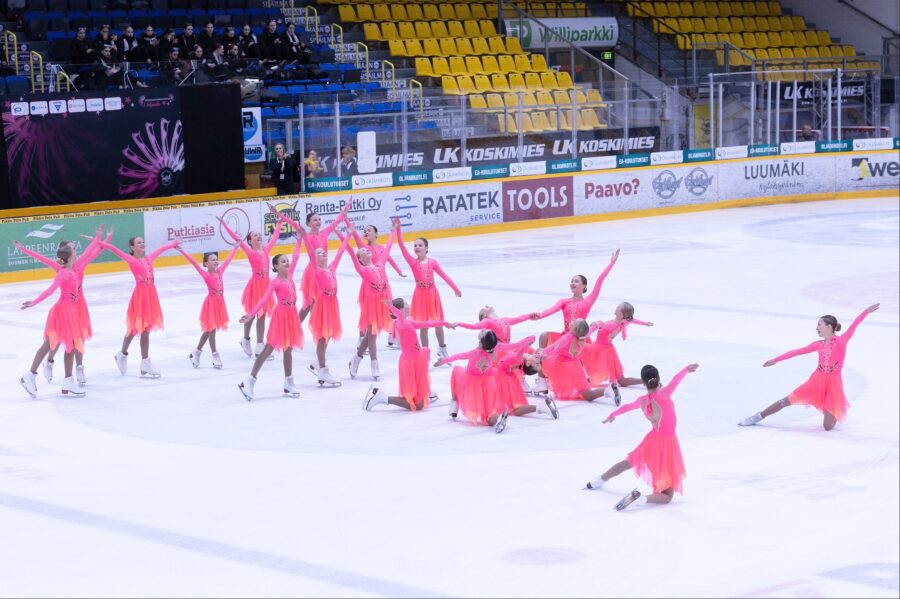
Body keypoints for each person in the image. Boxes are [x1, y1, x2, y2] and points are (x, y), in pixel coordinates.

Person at [738, 304, 880, 430]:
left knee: (827, 427)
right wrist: (775, 360)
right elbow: (796, 352)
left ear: (829, 327)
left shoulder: (841, 342)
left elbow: (854, 325)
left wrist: (865, 312)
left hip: (833, 385)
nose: (817, 328)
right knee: (785, 401)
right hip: (816, 381)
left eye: (820, 325)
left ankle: (832, 407)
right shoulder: (817, 345)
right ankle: (758, 416)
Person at [586, 363, 699, 511]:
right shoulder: (664, 395)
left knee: (628, 462)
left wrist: (612, 414)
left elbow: (626, 407)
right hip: (667, 445)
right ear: (658, 379)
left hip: (652, 441)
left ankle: (598, 480)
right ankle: (642, 499)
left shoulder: (642, 401)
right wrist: (685, 370)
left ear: (644, 383)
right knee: (666, 496)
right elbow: (675, 381)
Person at [14, 227, 109, 386]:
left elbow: (94, 250)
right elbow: (43, 263)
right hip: (65, 309)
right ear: (67, 254)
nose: (75, 250)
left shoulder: (78, 265)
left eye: (74, 247)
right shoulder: (62, 271)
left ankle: (74, 372)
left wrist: (100, 237)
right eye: (72, 248)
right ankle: (48, 365)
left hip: (78, 306)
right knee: (57, 341)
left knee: (75, 339)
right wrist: (23, 248)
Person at [532, 249, 620, 393]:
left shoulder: (588, 301)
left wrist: (611, 263)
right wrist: (540, 315)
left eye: (576, 281)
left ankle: (584, 380)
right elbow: (551, 309)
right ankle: (542, 381)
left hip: (580, 338)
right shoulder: (564, 301)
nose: (573, 283)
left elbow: (599, 280)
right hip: (564, 337)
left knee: (577, 362)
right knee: (543, 336)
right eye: (572, 281)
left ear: (584, 286)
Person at [99, 235, 180, 377]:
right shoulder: (131, 260)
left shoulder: (148, 258)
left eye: (143, 242)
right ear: (132, 247)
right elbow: (114, 249)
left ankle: (144, 362)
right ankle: (123, 354)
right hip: (140, 297)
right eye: (138, 243)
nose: (142, 244)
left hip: (151, 296)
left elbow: (161, 249)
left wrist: (174, 243)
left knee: (146, 329)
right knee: (135, 328)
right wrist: (98, 241)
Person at [19, 246, 90, 398]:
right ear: (70, 257)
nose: (77, 254)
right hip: (62, 312)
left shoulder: (71, 271)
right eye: (75, 253)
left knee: (68, 346)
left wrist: (100, 239)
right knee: (52, 344)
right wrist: (34, 302)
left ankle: (66, 381)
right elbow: (51, 290)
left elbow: (90, 252)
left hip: (69, 311)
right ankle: (31, 375)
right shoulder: (63, 273)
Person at [237, 242, 305, 401]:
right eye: (283, 261)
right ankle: (250, 380)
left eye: (286, 260)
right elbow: (263, 299)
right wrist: (251, 314)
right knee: (268, 349)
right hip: (281, 317)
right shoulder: (275, 282)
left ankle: (289, 382)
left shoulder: (290, 276)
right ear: (275, 266)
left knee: (288, 349)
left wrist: (300, 240)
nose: (287, 262)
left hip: (291, 316)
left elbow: (295, 257)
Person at [291, 219, 352, 387]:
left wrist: (348, 235)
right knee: (322, 337)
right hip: (323, 307)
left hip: (332, 307)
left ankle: (318, 365)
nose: (324, 254)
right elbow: (311, 251)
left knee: (330, 334)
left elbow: (340, 252)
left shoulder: (331, 267)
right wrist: (303, 234)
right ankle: (323, 370)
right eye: (319, 254)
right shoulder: (317, 271)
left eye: (324, 253)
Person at [363, 298, 452, 412]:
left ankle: (424, 392)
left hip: (416, 358)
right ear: (400, 309)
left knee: (419, 397)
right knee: (418, 406)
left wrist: (446, 323)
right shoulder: (400, 323)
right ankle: (383, 398)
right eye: (405, 304)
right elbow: (399, 316)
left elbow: (428, 323)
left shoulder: (408, 322)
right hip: (410, 362)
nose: (408, 305)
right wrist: (391, 307)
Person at [272, 202, 351, 327]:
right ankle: (295, 328)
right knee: (309, 303)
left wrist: (346, 208)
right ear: (308, 223)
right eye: (314, 220)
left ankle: (315, 329)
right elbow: (294, 223)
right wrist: (279, 214)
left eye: (319, 219)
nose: (318, 222)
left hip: (324, 271)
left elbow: (337, 220)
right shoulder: (306, 236)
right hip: (313, 273)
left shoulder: (325, 232)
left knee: (317, 302)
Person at [218, 215, 284, 362]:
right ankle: (246, 339)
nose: (259, 236)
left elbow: (275, 237)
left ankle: (259, 345)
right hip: (255, 286)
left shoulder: (266, 250)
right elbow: (237, 239)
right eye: (255, 235)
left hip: (266, 285)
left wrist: (279, 222)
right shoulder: (250, 252)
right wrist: (224, 224)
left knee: (261, 315)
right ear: (250, 241)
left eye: (259, 235)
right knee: (252, 314)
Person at [395, 226, 461, 361]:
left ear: (426, 247)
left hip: (432, 295)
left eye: (420, 245)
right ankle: (425, 353)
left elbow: (444, 275)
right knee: (423, 327)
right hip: (419, 296)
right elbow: (402, 248)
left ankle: (442, 348)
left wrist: (455, 288)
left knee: (438, 323)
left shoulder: (433, 262)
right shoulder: (413, 263)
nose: (417, 247)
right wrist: (398, 231)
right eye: (415, 245)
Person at [346, 217, 399, 381]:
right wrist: (348, 232)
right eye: (363, 252)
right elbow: (348, 249)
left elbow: (389, 248)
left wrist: (393, 231)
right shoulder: (361, 266)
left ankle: (356, 358)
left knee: (371, 332)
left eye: (367, 251)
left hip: (382, 293)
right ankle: (374, 363)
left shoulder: (380, 262)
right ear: (360, 259)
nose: (367, 251)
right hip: (371, 296)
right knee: (373, 332)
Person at [434, 330, 518, 433]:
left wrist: (443, 361)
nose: (483, 330)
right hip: (488, 383)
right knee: (489, 420)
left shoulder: (473, 353)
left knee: (456, 370)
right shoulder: (496, 348)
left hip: (472, 382)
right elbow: (514, 345)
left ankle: (454, 403)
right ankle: (500, 412)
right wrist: (528, 341)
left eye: (483, 332)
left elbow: (458, 356)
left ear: (481, 342)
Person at [177, 244, 240, 370]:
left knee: (209, 330)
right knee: (211, 330)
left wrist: (235, 248)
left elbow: (228, 260)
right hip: (211, 304)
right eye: (212, 260)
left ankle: (196, 352)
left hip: (220, 303)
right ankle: (214, 354)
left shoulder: (220, 271)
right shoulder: (205, 274)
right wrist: (182, 251)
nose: (216, 261)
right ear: (206, 263)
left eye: (216, 259)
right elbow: (193, 262)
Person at [581, 302, 654, 406]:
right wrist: (645, 323)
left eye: (618, 307)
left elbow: (590, 332)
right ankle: (646, 381)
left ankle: (583, 378)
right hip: (609, 350)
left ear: (621, 313)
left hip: (599, 349)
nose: (616, 307)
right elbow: (633, 320)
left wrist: (590, 329)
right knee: (622, 380)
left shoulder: (607, 324)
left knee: (579, 351)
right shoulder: (624, 322)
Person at [534, 318, 610, 402]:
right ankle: (608, 391)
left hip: (561, 366)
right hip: (576, 369)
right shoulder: (583, 335)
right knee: (587, 394)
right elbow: (592, 328)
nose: (572, 320)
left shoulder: (567, 337)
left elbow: (553, 346)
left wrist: (540, 354)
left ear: (574, 328)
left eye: (574, 322)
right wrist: (598, 323)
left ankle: (541, 383)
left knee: (538, 350)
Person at [493, 334, 560, 420]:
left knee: (514, 410)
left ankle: (540, 407)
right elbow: (527, 346)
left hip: (504, 380)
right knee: (514, 409)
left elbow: (524, 345)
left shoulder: (519, 359)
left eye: (537, 364)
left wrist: (529, 342)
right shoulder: (525, 357)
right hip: (506, 378)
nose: (538, 361)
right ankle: (540, 407)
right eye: (538, 363)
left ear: (528, 363)